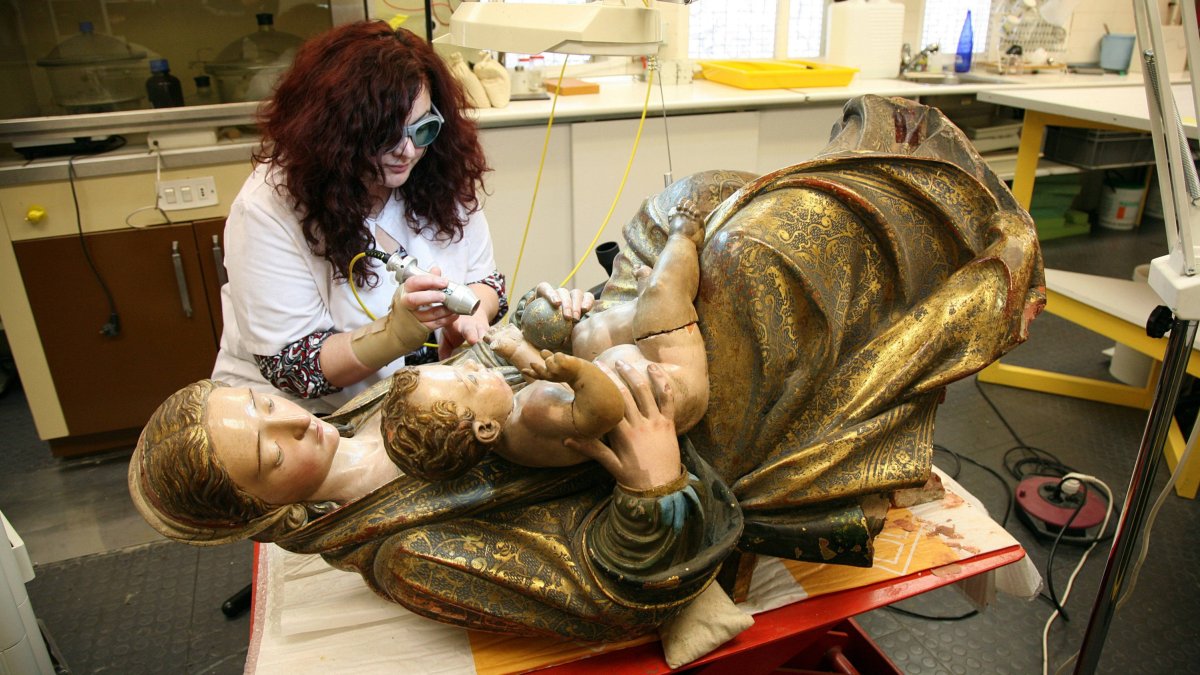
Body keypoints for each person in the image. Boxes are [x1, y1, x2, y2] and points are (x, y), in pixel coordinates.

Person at [212, 20, 506, 414]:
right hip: (303, 418)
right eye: (384, 135)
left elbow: (485, 282)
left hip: (419, 399)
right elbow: (294, 368)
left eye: (420, 129)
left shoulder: (439, 170)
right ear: (335, 133)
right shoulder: (267, 208)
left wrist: (470, 317)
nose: (407, 151)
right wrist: (395, 334)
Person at [379, 199, 710, 482]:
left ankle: (641, 306)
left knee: (587, 334)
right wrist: (576, 373)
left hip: (629, 371)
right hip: (673, 381)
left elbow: (541, 380)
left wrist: (520, 350)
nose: (473, 366)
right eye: (468, 379)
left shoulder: (511, 426)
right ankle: (683, 238)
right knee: (661, 294)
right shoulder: (533, 414)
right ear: (484, 429)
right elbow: (605, 413)